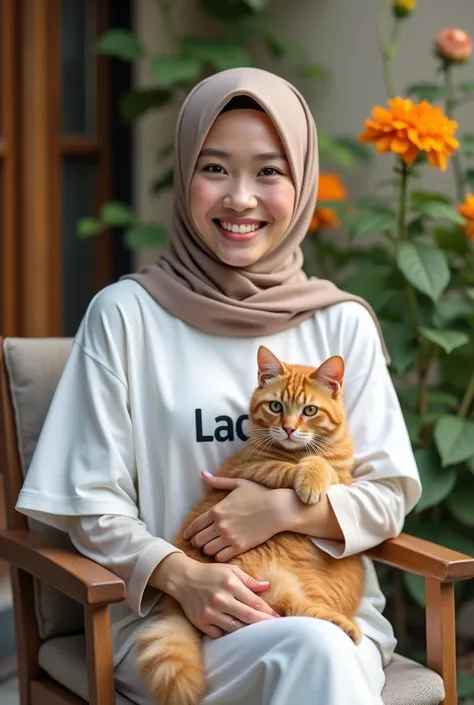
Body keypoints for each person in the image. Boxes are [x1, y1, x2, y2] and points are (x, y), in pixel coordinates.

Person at [16, 67, 421, 705]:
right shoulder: (127, 314)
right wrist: (181, 575)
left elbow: (388, 495)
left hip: (321, 607)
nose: (240, 198)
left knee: (319, 648)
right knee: (317, 656)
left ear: (302, 181)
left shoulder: (341, 322)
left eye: (269, 170)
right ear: (184, 175)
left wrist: (284, 508)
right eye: (214, 168)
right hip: (173, 619)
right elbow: (89, 502)